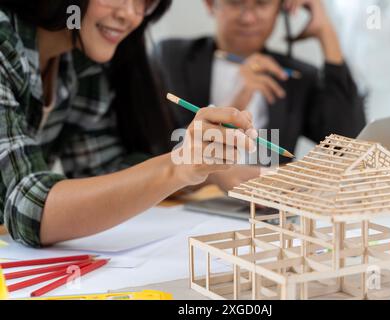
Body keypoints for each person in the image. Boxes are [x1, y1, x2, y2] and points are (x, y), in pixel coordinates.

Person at [0, 0, 257, 248]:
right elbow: (28, 208)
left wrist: (206, 171)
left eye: (144, 1)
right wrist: (180, 166)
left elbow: (103, 172)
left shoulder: (80, 57)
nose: (130, 15)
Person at [157, 0, 366, 167]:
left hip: (267, 204)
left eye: (262, 3)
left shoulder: (295, 76)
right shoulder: (171, 58)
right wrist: (238, 99)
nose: (248, 18)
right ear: (211, 4)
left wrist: (326, 33)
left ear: (281, 9)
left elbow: (348, 144)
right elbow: (160, 151)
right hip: (188, 201)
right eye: (235, 2)